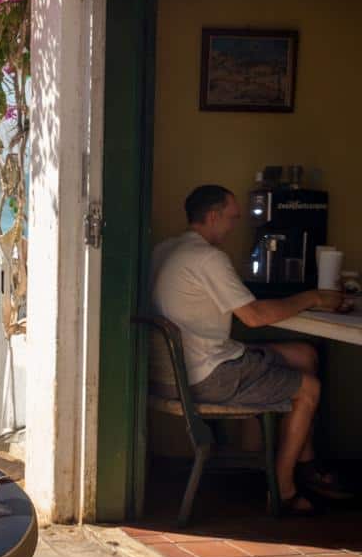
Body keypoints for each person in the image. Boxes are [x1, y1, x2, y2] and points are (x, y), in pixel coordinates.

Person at [151, 184, 352, 514]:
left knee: (304, 354)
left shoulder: (164, 249)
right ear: (213, 216)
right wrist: (314, 297)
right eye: (232, 218)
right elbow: (255, 316)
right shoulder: (207, 257)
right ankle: (283, 490)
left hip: (171, 371)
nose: (234, 227)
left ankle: (302, 460)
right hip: (205, 375)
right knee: (310, 389)